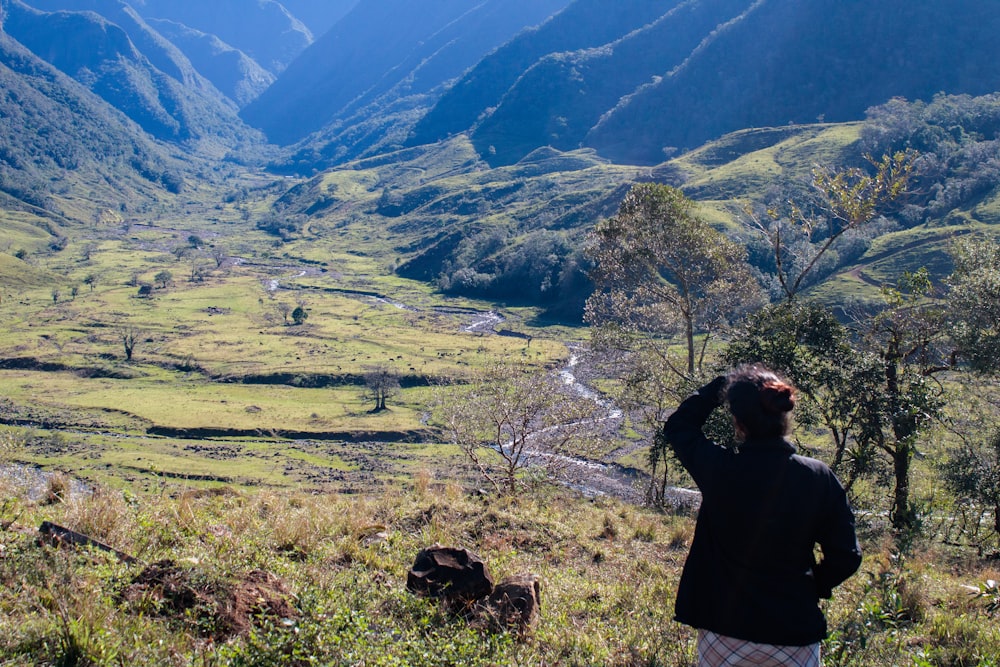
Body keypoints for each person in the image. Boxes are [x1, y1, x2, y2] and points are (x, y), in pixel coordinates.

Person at [662, 364, 862, 667]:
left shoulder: (720, 469)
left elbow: (679, 427)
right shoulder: (817, 476)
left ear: (738, 422)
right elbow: (846, 556)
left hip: (725, 628)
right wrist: (814, 585)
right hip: (794, 629)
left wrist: (719, 388)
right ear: (784, 414)